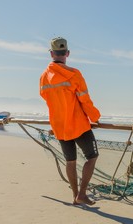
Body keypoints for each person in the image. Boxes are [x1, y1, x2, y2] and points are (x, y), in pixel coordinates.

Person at [40, 37, 100, 206]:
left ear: (51, 54)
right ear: (67, 53)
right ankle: (81, 194)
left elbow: (47, 99)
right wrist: (95, 117)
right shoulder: (74, 74)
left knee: (70, 161)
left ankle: (75, 196)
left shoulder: (44, 77)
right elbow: (85, 100)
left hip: (59, 126)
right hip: (78, 125)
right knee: (92, 157)